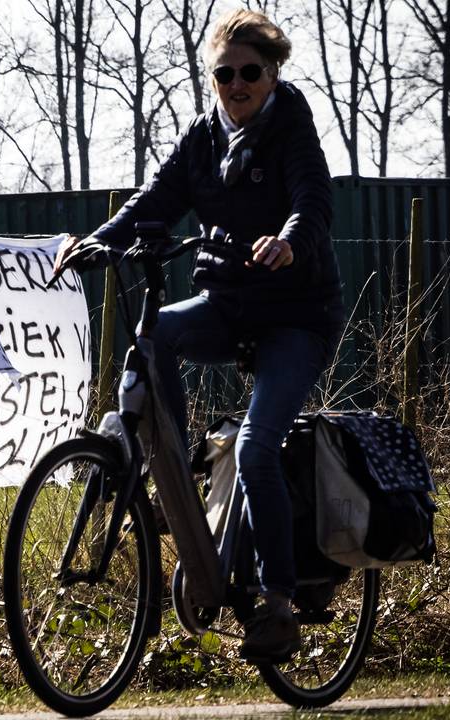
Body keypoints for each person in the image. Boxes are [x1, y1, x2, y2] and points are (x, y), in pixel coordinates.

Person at [54, 9, 344, 661]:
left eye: (250, 72)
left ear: (272, 75)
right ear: (211, 78)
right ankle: (172, 481)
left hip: (297, 317)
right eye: (224, 73)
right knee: (152, 339)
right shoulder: (202, 141)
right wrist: (97, 243)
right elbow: (153, 203)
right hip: (230, 304)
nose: (236, 84)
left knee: (256, 452)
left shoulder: (292, 129)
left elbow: (313, 202)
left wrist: (289, 242)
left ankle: (276, 606)